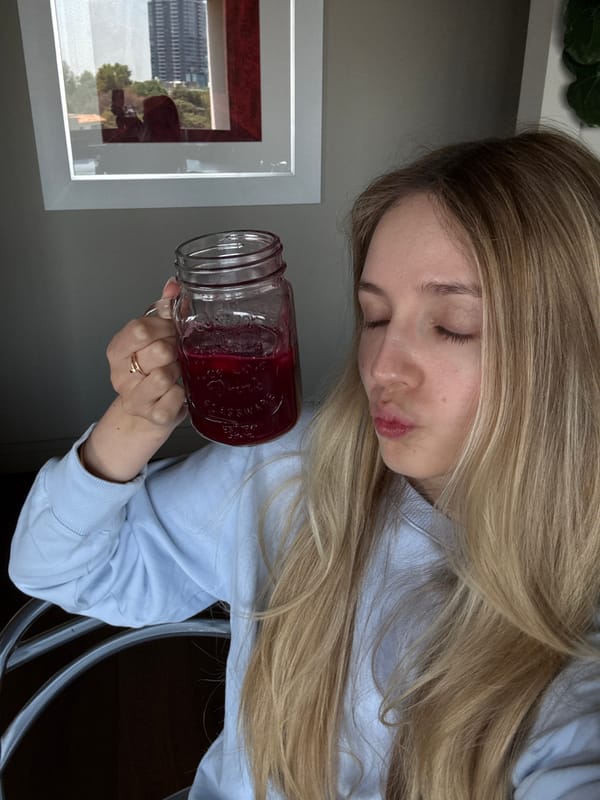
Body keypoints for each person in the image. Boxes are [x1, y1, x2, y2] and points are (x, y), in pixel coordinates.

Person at [10, 128, 600, 800]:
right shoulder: (290, 469)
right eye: (375, 317)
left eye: (450, 325)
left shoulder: (576, 649)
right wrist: (136, 416)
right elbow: (49, 564)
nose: (381, 369)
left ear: (571, 352)